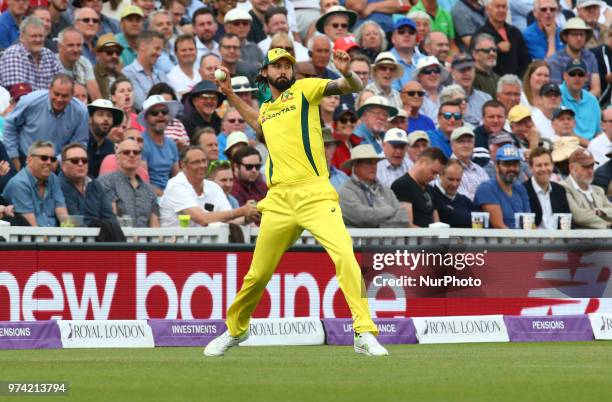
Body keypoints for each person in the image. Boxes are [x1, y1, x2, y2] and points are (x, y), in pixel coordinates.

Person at [205, 47, 388, 356]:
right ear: (265, 73)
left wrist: (345, 72)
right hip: (278, 199)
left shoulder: (305, 89)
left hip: (315, 194)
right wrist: (229, 94)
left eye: (288, 65)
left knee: (345, 255)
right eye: (277, 65)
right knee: (258, 274)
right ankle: (236, 330)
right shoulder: (266, 109)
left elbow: (349, 87)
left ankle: (364, 332)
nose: (284, 70)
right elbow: (257, 122)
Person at [3, 74, 89, 171]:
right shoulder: (30, 101)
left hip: (57, 163)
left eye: (65, 96)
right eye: (56, 94)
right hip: (25, 158)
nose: (59, 99)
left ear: (72, 94)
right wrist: (13, 156)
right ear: (49, 90)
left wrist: (59, 161)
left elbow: (79, 142)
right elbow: (10, 125)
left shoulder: (81, 111)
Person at [159, 145, 259, 227]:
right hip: (174, 247)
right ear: (182, 165)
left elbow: (228, 220)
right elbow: (203, 219)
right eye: (196, 162)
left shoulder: (213, 187)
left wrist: (248, 217)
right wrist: (241, 211)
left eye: (204, 161)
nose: (202, 165)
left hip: (207, 245)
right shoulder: (176, 185)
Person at [339, 144, 408, 227]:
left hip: (386, 239)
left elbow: (403, 217)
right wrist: (390, 211)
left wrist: (378, 224)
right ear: (355, 165)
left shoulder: (385, 189)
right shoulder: (345, 191)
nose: (373, 167)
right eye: (368, 163)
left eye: (375, 163)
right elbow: (362, 217)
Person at [2, 140, 68, 227]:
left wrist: (71, 236)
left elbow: (61, 211)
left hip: (55, 236)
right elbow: (31, 227)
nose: (49, 162)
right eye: (44, 158)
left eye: (52, 159)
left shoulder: (53, 178)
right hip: (30, 238)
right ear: (29, 160)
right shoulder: (19, 184)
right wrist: (51, 240)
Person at [98, 138, 160, 227]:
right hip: (117, 238)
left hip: (145, 240)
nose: (131, 155)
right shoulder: (106, 182)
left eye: (136, 152)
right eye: (126, 152)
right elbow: (110, 220)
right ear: (117, 157)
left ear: (140, 157)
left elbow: (155, 227)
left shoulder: (150, 190)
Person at [474, 144, 531, 228]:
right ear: (497, 166)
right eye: (507, 164)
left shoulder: (520, 189)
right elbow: (499, 226)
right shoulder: (487, 189)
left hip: (521, 239)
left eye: (515, 164)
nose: (512, 168)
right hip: (498, 240)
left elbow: (528, 223)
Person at [58, 143, 115, 225]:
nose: (81, 164)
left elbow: (110, 217)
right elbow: (75, 221)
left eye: (85, 160)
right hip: (73, 236)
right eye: (75, 161)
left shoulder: (96, 185)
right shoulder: (58, 186)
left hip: (101, 235)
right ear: (63, 165)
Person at [0, 16, 62, 91]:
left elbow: (62, 86)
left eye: (41, 36)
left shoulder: (49, 55)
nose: (38, 39)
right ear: (22, 37)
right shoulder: (13, 54)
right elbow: (18, 94)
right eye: (33, 36)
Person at [391, 147, 447, 228]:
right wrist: (432, 235)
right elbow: (407, 225)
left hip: (431, 238)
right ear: (422, 162)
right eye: (433, 172)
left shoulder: (430, 189)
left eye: (437, 174)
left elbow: (437, 224)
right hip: (414, 239)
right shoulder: (402, 185)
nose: (434, 177)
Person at [546, 17, 600, 98]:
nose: (579, 38)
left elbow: (597, 90)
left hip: (587, 102)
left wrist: (583, 102)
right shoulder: (556, 60)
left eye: (582, 34)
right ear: (565, 37)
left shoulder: (590, 56)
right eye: (574, 34)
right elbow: (557, 91)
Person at [474, 0, 530, 77]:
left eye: (504, 7)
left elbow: (525, 60)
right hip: (491, 83)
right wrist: (497, 49)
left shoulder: (514, 32)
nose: (501, 10)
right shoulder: (481, 34)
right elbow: (476, 59)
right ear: (487, 9)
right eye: (497, 6)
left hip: (516, 83)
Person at [138, 95, 180, 195]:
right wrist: (165, 196)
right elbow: (143, 182)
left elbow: (176, 177)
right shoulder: (140, 142)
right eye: (154, 113)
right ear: (146, 118)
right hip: (148, 197)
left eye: (164, 112)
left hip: (170, 195)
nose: (160, 115)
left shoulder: (171, 144)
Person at [561, 147, 612, 228]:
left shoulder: (598, 190)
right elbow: (579, 216)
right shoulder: (563, 188)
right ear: (572, 168)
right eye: (585, 167)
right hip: (579, 239)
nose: (590, 171)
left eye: (592, 166)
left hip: (603, 239)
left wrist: (598, 211)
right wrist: (607, 224)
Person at [523, 147, 571, 229]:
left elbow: (566, 220)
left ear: (552, 165)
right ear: (530, 168)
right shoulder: (523, 190)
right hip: (533, 240)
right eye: (539, 165)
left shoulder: (560, 190)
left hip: (558, 239)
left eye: (546, 164)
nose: (543, 169)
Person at [122, 30, 168, 111]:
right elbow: (141, 104)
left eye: (161, 49)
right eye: (157, 48)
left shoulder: (161, 74)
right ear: (143, 46)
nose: (160, 53)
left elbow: (175, 100)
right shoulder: (128, 73)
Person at [560, 60, 602, 141]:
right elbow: (564, 132)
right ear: (565, 76)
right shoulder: (557, 95)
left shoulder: (592, 100)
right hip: (568, 143)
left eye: (581, 74)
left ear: (586, 77)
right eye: (572, 74)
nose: (577, 78)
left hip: (593, 146)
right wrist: (590, 146)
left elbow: (599, 131)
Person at [432, 159, 478, 227]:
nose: (454, 184)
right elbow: (450, 217)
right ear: (440, 175)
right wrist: (470, 217)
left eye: (458, 180)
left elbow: (483, 219)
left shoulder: (465, 200)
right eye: (451, 179)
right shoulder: (432, 195)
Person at [450, 53, 492, 126]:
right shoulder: (446, 97)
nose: (466, 73)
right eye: (462, 70)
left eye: (469, 69)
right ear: (453, 72)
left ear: (474, 71)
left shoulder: (486, 98)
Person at [86, 99, 124, 178]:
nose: (106, 119)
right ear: (89, 119)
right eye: (100, 114)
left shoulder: (110, 147)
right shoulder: (81, 140)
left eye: (109, 116)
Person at [450, 126, 489, 200]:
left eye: (469, 141)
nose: (466, 145)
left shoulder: (480, 170)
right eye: (461, 141)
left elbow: (490, 194)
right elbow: (459, 199)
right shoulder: (446, 169)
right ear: (452, 145)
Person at [94, 33, 127, 100]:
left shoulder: (122, 77)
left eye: (117, 53)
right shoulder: (92, 75)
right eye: (109, 52)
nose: (114, 56)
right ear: (98, 55)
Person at [471, 33, 500, 99]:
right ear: (475, 54)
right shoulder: (470, 78)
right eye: (486, 50)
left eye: (494, 50)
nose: (492, 53)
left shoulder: (499, 78)